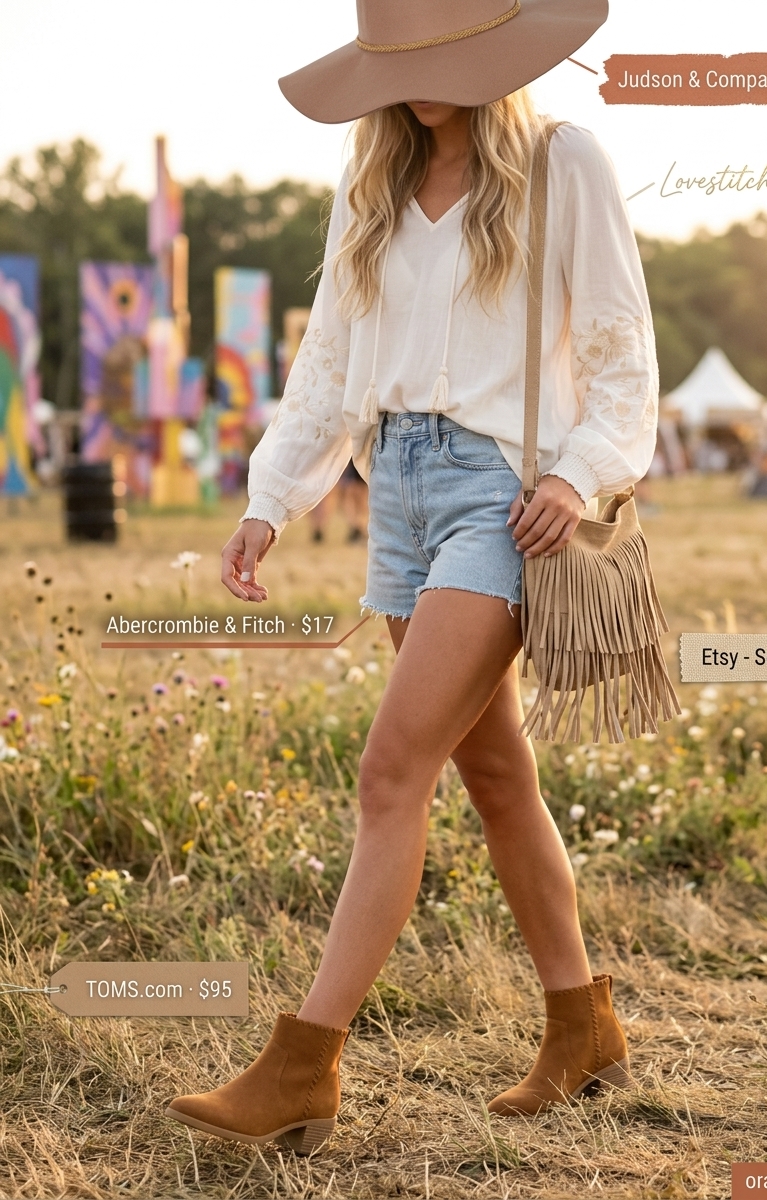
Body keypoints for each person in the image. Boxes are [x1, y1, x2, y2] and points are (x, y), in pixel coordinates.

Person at [167, 0, 659, 1153]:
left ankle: (302, 1064)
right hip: (396, 486)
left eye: (443, 59)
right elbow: (328, 360)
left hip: (504, 498)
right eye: (402, 63)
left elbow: (620, 348)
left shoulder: (559, 162)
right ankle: (581, 1023)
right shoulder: (368, 185)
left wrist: (578, 475)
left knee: (391, 772)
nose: (422, 85)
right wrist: (269, 500)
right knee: (494, 777)